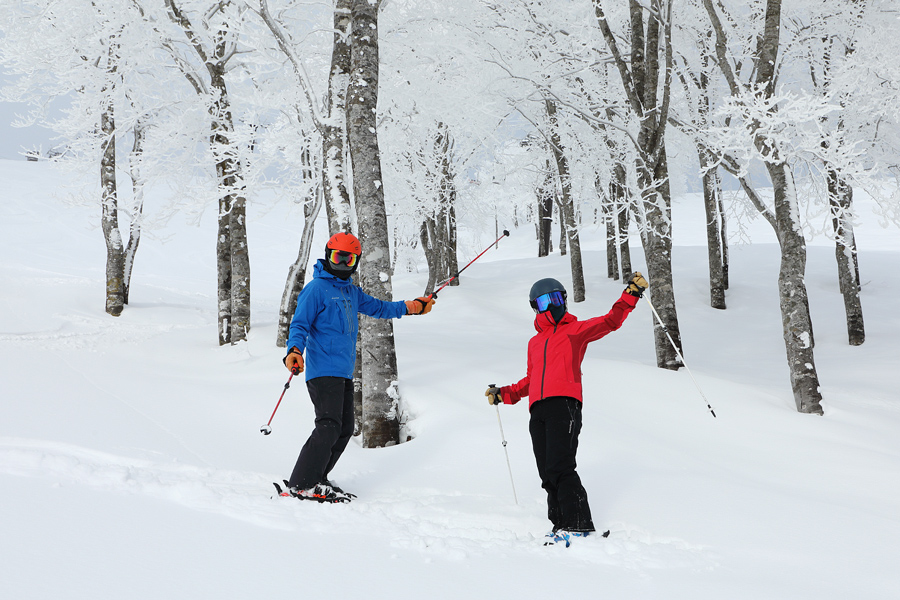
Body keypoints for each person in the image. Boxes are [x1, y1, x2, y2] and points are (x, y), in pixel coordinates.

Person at [485, 272, 648, 543]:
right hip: (538, 411)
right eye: (542, 302)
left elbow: (610, 321)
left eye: (555, 299)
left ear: (564, 300)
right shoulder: (534, 342)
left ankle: (579, 524)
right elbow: (531, 379)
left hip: (565, 404)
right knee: (547, 472)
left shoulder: (576, 331)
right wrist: (505, 394)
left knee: (561, 465)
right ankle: (561, 525)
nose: (550, 307)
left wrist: (630, 295)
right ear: (535, 308)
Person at [280, 232, 435, 503]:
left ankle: (317, 477)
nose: (341, 264)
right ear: (328, 255)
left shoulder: (351, 291)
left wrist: (411, 307)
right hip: (322, 370)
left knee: (344, 428)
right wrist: (294, 351)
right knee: (328, 426)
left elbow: (380, 308)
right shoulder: (316, 289)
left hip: (343, 372)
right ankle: (302, 483)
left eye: (348, 259)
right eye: (337, 257)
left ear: (355, 261)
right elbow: (300, 324)